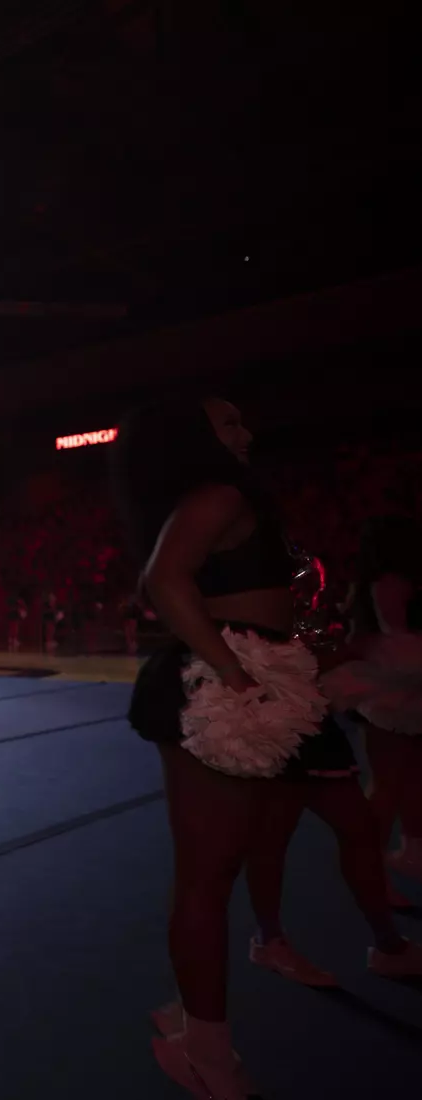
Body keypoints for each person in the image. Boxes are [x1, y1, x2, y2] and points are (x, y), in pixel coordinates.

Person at [111, 396, 421, 1100]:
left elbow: (174, 578)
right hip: (223, 690)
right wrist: (233, 671)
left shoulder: (216, 498)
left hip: (252, 681)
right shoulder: (216, 494)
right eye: (228, 423)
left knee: (221, 870)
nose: (246, 431)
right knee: (207, 878)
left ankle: (199, 1022)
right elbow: (162, 582)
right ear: (194, 437)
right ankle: (209, 1053)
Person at [333, 515, 422, 882]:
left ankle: (410, 852)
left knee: (402, 781)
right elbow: (399, 644)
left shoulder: (376, 583)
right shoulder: (389, 583)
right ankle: (370, 871)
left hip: (397, 693)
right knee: (389, 785)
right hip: (392, 693)